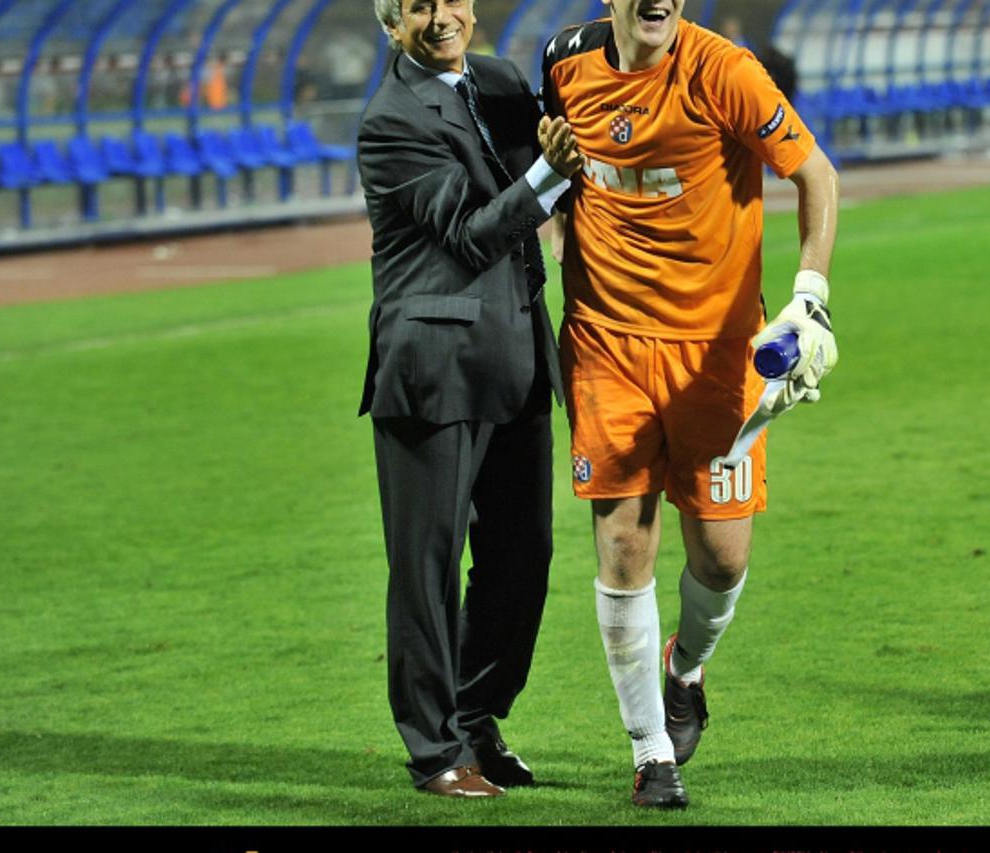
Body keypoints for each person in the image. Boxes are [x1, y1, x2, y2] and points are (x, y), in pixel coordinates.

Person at [542, 0, 839, 809]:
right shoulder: (563, 63)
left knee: (722, 560)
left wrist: (809, 297)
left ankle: (685, 666)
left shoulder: (726, 72)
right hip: (606, 342)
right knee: (624, 547)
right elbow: (560, 175)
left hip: (716, 354)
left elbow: (815, 173)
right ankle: (650, 750)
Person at [358, 0, 582, 799]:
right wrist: (552, 170)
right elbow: (473, 231)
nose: (440, 17)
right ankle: (433, 751)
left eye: (451, 0)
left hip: (518, 353)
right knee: (426, 564)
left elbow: (577, 127)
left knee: (524, 556)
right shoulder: (390, 121)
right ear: (391, 25)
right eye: (418, 6)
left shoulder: (497, 80)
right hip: (433, 364)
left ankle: (478, 715)